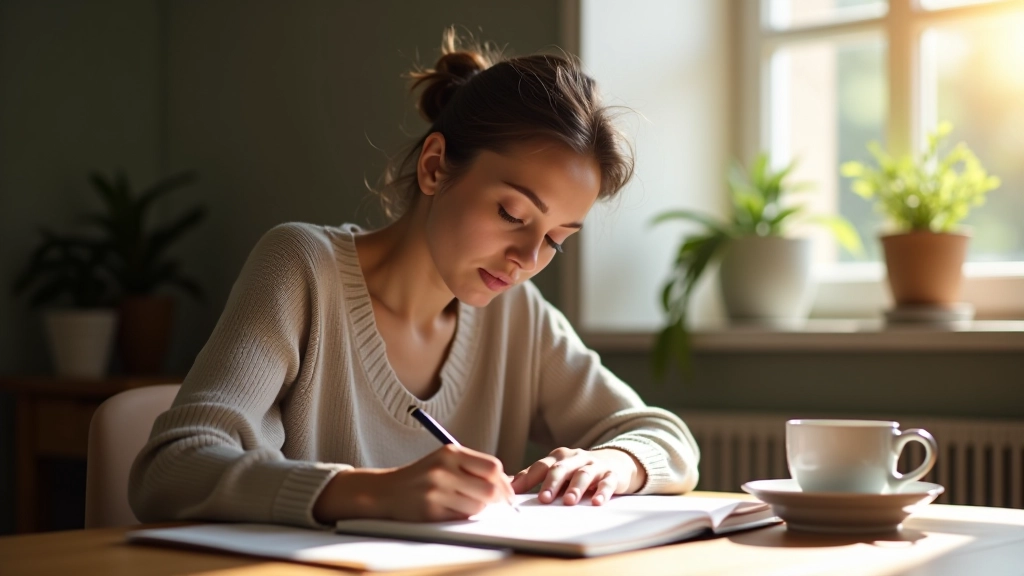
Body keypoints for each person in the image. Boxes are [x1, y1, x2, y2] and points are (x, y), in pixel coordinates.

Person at [129, 30, 699, 528]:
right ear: (434, 167)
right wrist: (369, 491)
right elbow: (170, 467)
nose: (527, 257)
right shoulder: (302, 268)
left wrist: (615, 463)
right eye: (512, 214)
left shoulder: (516, 313)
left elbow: (667, 438)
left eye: (555, 239)